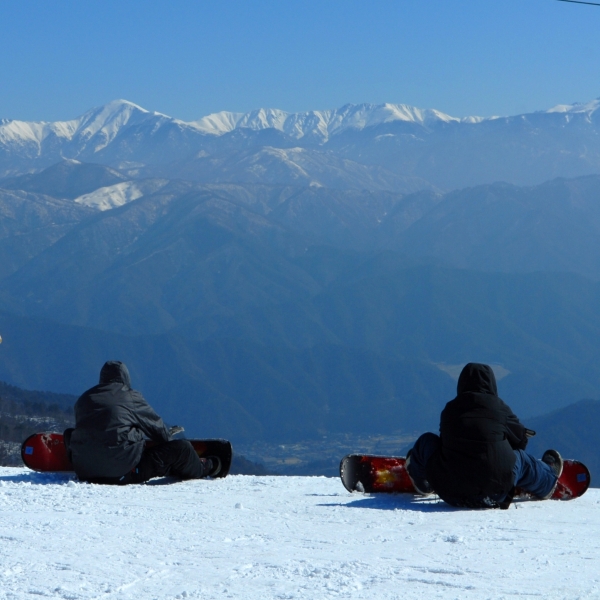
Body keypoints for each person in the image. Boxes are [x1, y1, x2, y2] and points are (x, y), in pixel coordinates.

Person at [405, 362, 562, 509]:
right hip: (496, 493)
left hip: (450, 492)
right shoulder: (499, 408)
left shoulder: (450, 409)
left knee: (427, 440)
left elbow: (445, 443)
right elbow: (520, 441)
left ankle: (423, 482)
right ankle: (547, 480)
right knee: (521, 458)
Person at [65, 360, 219, 484]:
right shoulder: (131, 396)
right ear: (125, 378)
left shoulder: (84, 399)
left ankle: (89, 461)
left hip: (85, 472)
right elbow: (157, 430)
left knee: (69, 434)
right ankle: (205, 467)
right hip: (122, 472)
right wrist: (167, 434)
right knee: (182, 448)